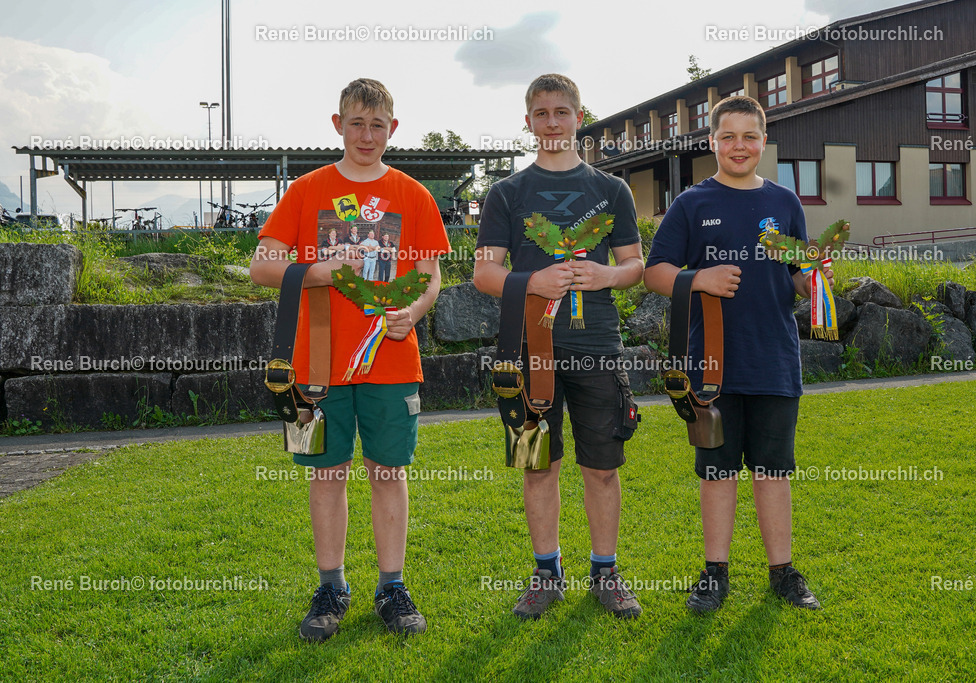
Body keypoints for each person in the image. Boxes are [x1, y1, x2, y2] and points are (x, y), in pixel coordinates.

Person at [250, 78, 450, 640]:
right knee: (326, 474)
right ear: (337, 125)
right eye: (356, 123)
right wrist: (315, 271)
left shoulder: (414, 195)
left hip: (391, 360)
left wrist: (413, 311)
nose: (366, 135)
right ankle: (331, 587)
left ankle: (392, 588)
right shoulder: (305, 190)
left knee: (388, 472)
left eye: (377, 125)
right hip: (316, 365)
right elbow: (261, 266)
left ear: (393, 128)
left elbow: (431, 276)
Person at [643, 95, 828, 614]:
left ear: (764, 142)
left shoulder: (786, 203)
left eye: (749, 136)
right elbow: (654, 272)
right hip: (712, 365)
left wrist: (815, 281)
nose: (739, 146)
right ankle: (714, 573)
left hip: (774, 360)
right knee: (718, 473)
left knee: (773, 471)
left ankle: (783, 572)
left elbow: (797, 275)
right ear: (713, 143)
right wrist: (699, 277)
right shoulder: (692, 203)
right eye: (729, 137)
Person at [473, 73, 645, 620]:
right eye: (541, 113)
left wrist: (606, 275)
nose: (552, 123)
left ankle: (606, 573)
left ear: (579, 118)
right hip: (531, 351)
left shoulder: (611, 190)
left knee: (603, 467)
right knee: (537, 465)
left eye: (562, 112)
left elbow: (635, 265)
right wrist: (533, 282)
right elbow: (484, 274)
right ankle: (546, 574)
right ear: (528, 122)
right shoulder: (506, 193)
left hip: (598, 348)